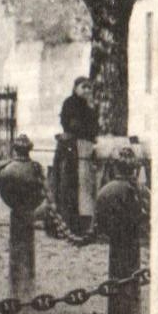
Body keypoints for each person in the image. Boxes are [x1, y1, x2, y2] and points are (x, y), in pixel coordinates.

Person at [59, 76, 99, 226]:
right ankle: (69, 220)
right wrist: (85, 130)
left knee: (86, 186)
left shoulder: (90, 106)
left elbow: (94, 127)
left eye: (89, 87)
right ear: (76, 88)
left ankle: (85, 218)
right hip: (71, 150)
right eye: (84, 87)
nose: (87, 90)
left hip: (86, 149)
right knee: (71, 186)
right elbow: (71, 124)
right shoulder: (70, 103)